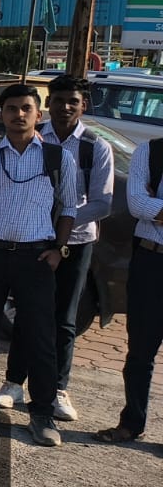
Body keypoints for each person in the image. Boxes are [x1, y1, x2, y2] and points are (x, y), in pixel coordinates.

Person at [0, 84, 77, 446]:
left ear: (38, 115)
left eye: (26, 108)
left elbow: (69, 207)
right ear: (1, 115)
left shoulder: (58, 158)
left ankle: (41, 413)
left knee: (40, 337)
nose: (18, 114)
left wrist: (59, 248)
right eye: (11, 108)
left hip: (35, 256)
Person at [0, 74, 113, 421]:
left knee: (64, 319)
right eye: (59, 100)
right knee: (27, 312)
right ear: (48, 104)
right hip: (33, 240)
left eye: (72, 101)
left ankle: (58, 389)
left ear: (84, 105)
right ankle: (13, 383)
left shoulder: (96, 146)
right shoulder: (34, 136)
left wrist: (61, 222)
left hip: (76, 243)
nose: (64, 107)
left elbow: (102, 203)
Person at [96, 136, 163, 443]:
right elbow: (137, 204)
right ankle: (131, 423)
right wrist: (148, 207)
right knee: (140, 352)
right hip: (151, 262)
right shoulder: (151, 151)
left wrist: (156, 207)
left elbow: (149, 207)